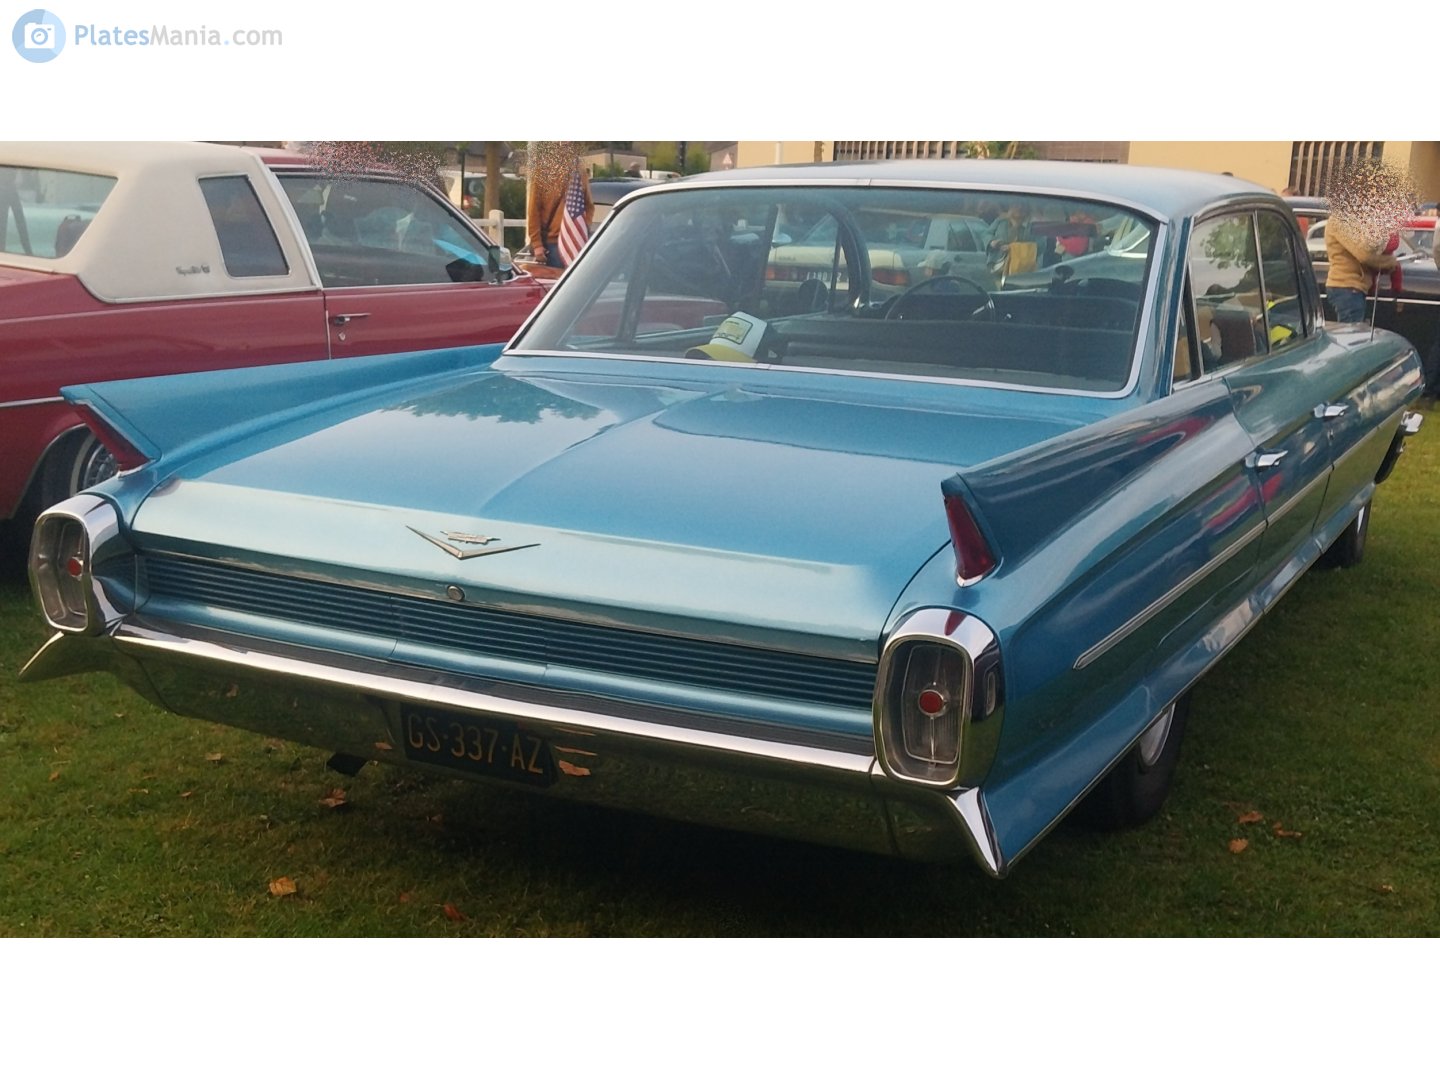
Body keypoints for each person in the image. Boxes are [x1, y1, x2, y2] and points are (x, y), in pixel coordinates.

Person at [525, 142, 594, 269]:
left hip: (577, 241)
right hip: (552, 244)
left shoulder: (580, 170)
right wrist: (537, 244)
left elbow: (589, 205)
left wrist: (583, 227)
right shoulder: (543, 171)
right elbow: (534, 210)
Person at [1323, 216, 1398, 324]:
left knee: (1355, 334)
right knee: (1352, 336)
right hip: (1347, 286)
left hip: (1352, 288)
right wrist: (1390, 262)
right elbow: (1364, 255)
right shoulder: (1341, 220)